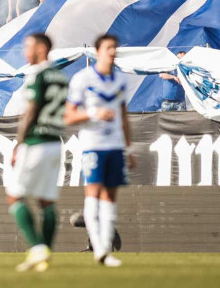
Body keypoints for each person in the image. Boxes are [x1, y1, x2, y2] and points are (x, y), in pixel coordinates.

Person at [64, 34, 135, 268]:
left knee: (110, 197)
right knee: (93, 194)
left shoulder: (121, 81)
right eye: (108, 48)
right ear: (97, 52)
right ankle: (99, 249)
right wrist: (95, 114)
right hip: (93, 145)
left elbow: (124, 116)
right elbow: (69, 116)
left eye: (115, 48)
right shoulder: (82, 79)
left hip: (115, 146)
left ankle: (105, 249)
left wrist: (129, 147)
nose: (112, 52)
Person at [6, 33, 68, 272]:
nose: (25, 51)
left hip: (36, 141)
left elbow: (31, 111)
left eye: (28, 46)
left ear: (41, 48)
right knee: (47, 201)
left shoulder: (37, 74)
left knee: (14, 196)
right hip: (55, 141)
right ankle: (44, 255)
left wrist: (18, 143)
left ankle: (38, 247)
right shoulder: (61, 77)